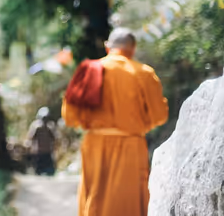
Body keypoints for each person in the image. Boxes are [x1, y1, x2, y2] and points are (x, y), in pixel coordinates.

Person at [62, 28, 168, 216]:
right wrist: (138, 125)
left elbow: (69, 115)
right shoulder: (143, 73)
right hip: (131, 145)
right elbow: (159, 115)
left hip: (94, 145)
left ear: (107, 46)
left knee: (95, 196)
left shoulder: (89, 70)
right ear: (132, 49)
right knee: (128, 201)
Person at [25, 107, 56, 175]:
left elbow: (54, 139)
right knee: (38, 172)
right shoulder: (36, 126)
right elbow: (30, 138)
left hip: (47, 153)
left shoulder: (49, 127)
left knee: (49, 172)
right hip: (38, 154)